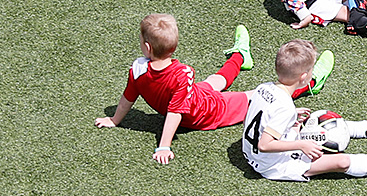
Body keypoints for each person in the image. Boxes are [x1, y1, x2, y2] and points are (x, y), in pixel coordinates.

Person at [95, 14, 334, 163]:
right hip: (203, 107)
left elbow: (131, 98)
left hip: (203, 103)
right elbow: (171, 110)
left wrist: (117, 120)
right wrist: (162, 144)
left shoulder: (139, 69)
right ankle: (306, 81)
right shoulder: (182, 74)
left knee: (229, 85)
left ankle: (245, 58)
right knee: (252, 92)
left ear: (147, 47)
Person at [242, 39, 367, 181]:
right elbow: (265, 144)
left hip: (252, 153)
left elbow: (260, 115)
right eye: (311, 70)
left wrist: (292, 117)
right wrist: (301, 145)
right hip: (272, 165)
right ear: (303, 77)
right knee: (341, 162)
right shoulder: (284, 106)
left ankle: (366, 128)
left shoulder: (264, 87)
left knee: (314, 122)